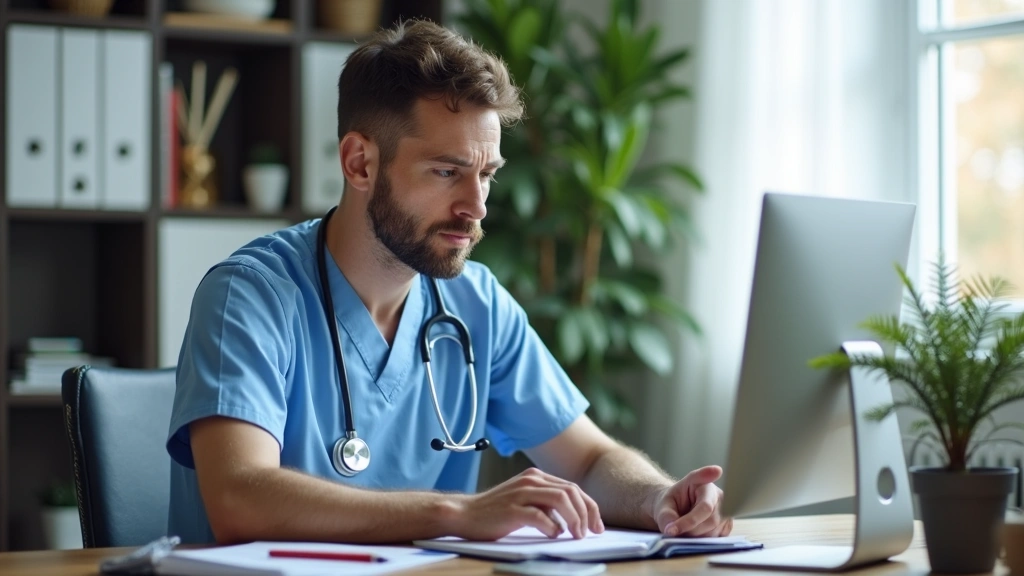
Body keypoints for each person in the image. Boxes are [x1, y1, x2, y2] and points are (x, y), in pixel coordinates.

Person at [166, 19, 731, 545]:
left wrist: (660, 497)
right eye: (446, 172)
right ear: (359, 163)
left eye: (486, 175)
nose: (476, 207)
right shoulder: (250, 294)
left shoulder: (476, 303)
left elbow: (587, 460)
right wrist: (453, 513)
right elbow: (238, 496)